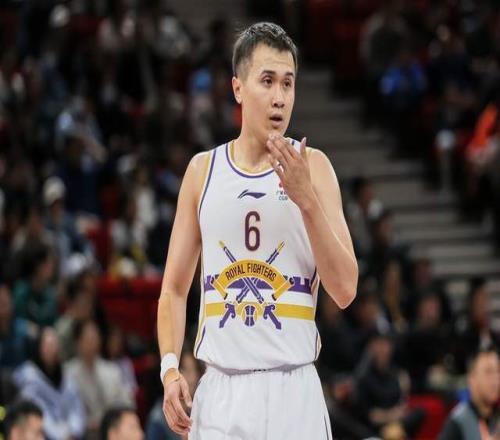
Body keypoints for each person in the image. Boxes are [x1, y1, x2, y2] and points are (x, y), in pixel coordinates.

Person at [156, 22, 358, 439]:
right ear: (238, 88)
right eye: (267, 81)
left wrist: (306, 200)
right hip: (222, 391)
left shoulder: (315, 168)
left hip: (294, 390)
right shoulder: (202, 172)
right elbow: (173, 289)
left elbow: (345, 289)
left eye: (288, 83)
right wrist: (170, 368)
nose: (280, 97)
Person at [13, 327, 86, 440]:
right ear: (39, 347)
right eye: (47, 345)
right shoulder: (28, 376)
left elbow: (76, 408)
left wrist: (74, 431)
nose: (51, 349)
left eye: (54, 345)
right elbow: (36, 412)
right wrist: (61, 436)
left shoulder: (66, 375)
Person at [439, 344, 500, 439]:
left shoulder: (497, 417)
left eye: (498, 371)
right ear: (471, 378)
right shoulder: (458, 422)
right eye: (488, 372)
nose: (495, 380)